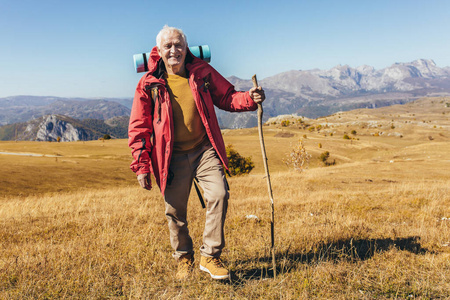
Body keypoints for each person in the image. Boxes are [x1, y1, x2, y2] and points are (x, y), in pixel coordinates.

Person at [128, 25, 265, 280]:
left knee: (220, 193)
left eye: (178, 45)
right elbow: (139, 127)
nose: (174, 50)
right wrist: (142, 165)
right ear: (158, 50)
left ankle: (210, 256)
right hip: (171, 157)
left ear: (186, 48)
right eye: (168, 46)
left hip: (204, 150)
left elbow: (227, 96)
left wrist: (249, 98)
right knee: (174, 211)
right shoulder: (149, 84)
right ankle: (184, 258)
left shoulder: (201, 72)